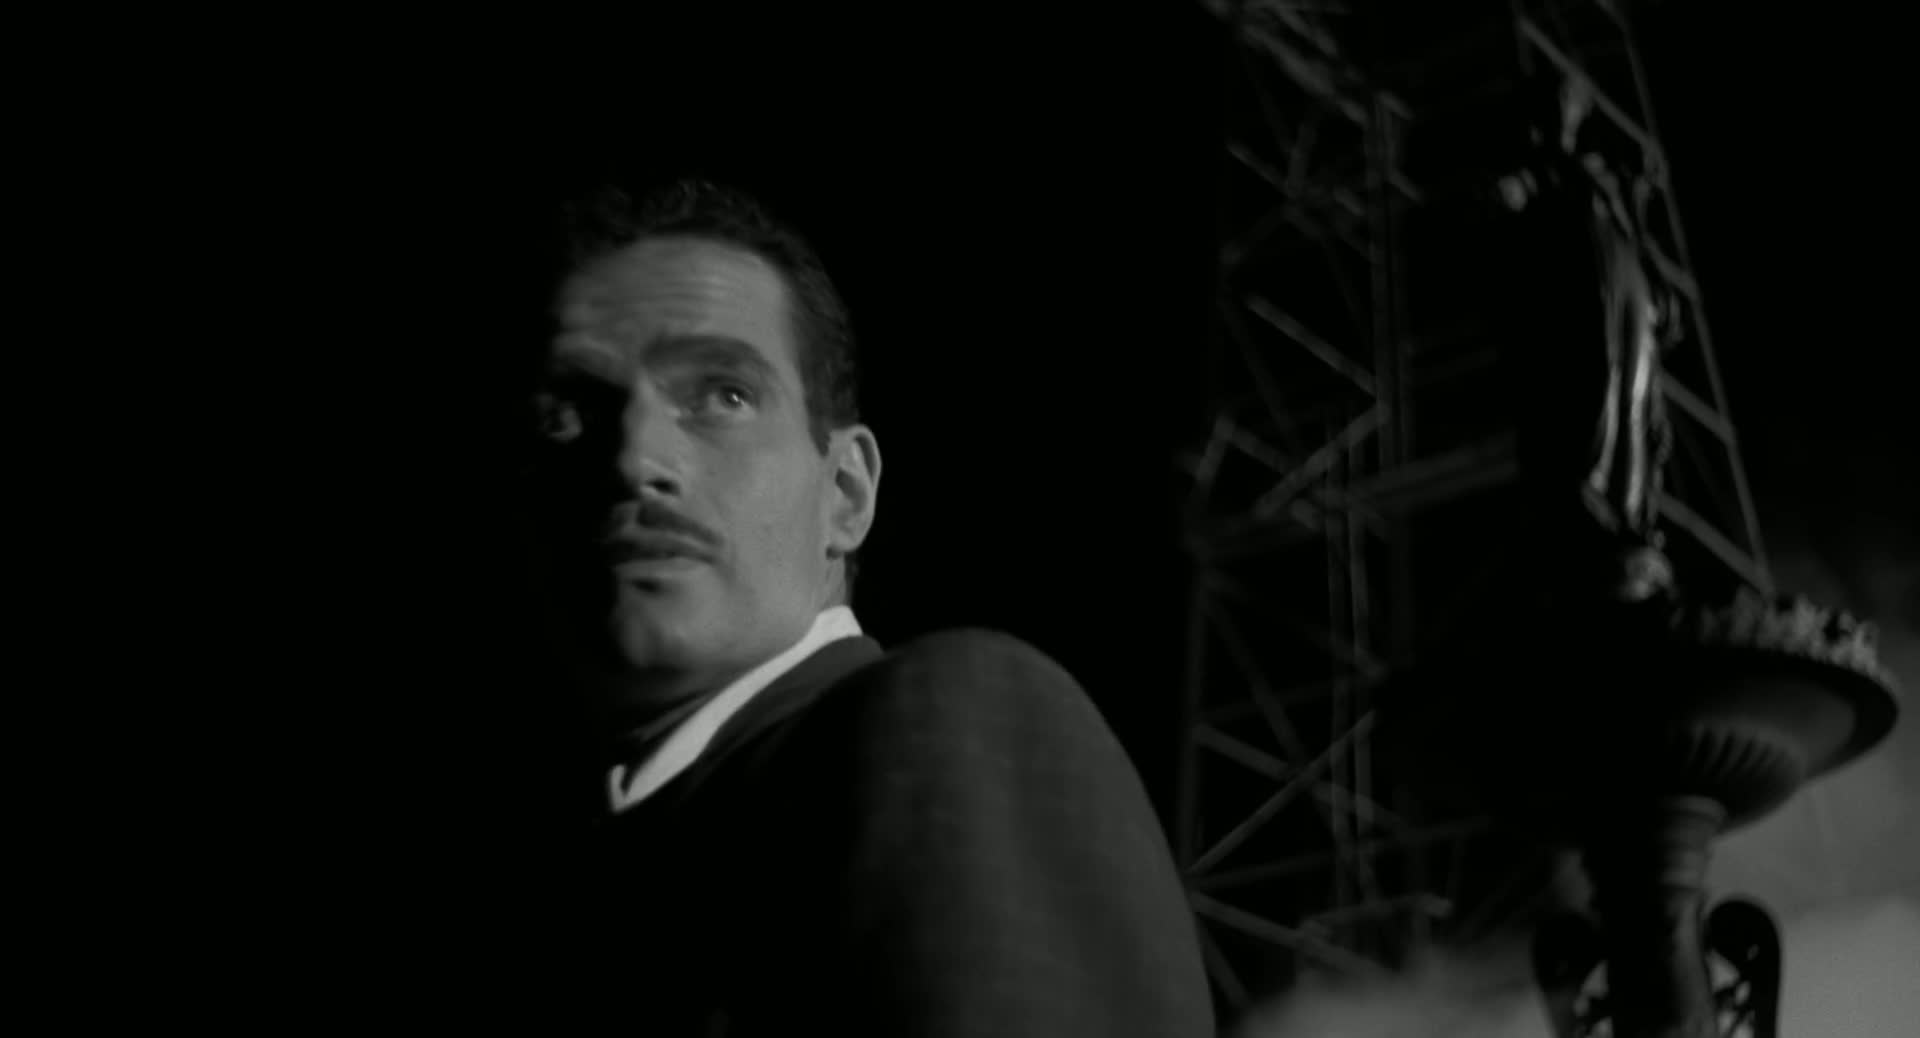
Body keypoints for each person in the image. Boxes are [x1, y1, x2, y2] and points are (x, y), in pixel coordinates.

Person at [518, 178, 1215, 1036]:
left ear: (846, 492)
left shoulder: (942, 723)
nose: (634, 458)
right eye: (569, 413)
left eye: (723, 395)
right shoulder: (602, 864)